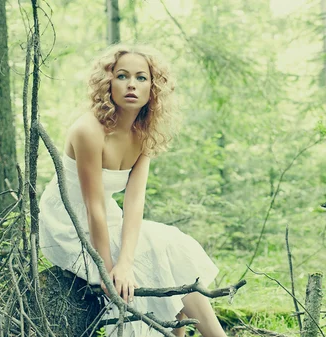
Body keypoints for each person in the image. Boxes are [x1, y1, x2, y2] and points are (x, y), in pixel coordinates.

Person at [39, 44, 226, 337]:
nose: (131, 84)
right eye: (122, 76)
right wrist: (109, 267)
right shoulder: (88, 130)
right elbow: (92, 207)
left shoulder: (144, 132)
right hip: (68, 222)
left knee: (170, 244)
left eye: (141, 78)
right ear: (107, 82)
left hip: (105, 215)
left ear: (153, 88)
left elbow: (134, 202)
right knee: (148, 257)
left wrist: (125, 262)